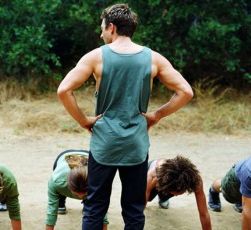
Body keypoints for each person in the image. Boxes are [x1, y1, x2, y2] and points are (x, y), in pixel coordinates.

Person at [57, 3, 194, 229]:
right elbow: (185, 92)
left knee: (94, 207)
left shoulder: (95, 57)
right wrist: (156, 115)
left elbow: (64, 90)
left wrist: (83, 121)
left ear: (112, 27)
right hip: (136, 145)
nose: (100, 33)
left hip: (104, 144)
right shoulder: (153, 59)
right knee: (133, 209)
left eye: (102, 28)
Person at [45, 149, 108, 230]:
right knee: (59, 193)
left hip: (88, 157)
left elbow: (101, 208)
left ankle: (87, 204)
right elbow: (51, 210)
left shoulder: (97, 181)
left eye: (84, 193)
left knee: (93, 206)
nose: (80, 196)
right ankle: (61, 201)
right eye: (76, 194)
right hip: (64, 156)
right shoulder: (56, 180)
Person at [146, 155, 211, 229]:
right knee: (145, 198)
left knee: (169, 192)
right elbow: (140, 207)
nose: (177, 196)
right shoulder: (152, 176)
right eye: (175, 193)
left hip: (168, 184)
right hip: (155, 177)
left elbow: (204, 214)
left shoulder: (195, 180)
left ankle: (163, 198)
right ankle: (162, 194)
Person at [207, 156, 251, 229]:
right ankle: (213, 190)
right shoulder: (249, 172)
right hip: (236, 178)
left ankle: (242, 198)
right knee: (226, 191)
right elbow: (247, 213)